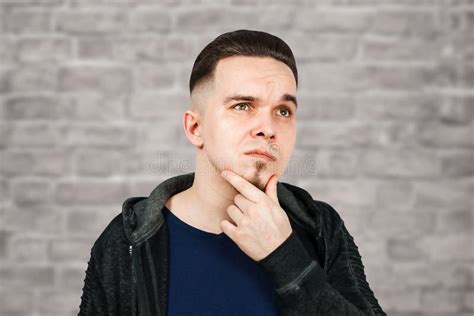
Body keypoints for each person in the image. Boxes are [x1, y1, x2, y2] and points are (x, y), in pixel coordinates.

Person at [79, 29, 386, 316]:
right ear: (195, 127)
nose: (268, 129)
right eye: (242, 106)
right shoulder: (127, 240)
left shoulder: (320, 227)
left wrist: (285, 256)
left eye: (283, 111)